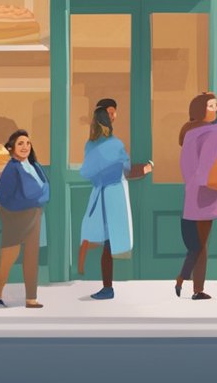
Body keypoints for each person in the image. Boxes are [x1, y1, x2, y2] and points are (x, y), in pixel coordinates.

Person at [78, 99, 151, 300]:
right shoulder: (115, 144)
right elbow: (126, 170)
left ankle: (107, 286)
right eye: (111, 113)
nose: (114, 116)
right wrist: (145, 168)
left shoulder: (90, 144)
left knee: (102, 239)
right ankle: (109, 286)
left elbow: (86, 171)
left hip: (99, 192)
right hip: (115, 193)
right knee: (110, 241)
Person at [176, 92, 217, 300]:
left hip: (192, 192)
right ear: (201, 110)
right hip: (207, 193)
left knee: (198, 244)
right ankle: (196, 288)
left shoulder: (189, 133)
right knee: (202, 245)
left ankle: (188, 282)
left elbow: (186, 165)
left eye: (216, 106)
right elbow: (210, 164)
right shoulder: (212, 132)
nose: (215, 110)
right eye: (211, 106)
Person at [0, 129, 50, 308]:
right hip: (17, 218)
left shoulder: (33, 165)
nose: (25, 146)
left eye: (27, 143)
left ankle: (31, 298)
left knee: (32, 257)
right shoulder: (11, 169)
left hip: (34, 215)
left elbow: (44, 188)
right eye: (20, 143)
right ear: (11, 148)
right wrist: (29, 202)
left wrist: (35, 200)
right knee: (9, 255)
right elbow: (4, 196)